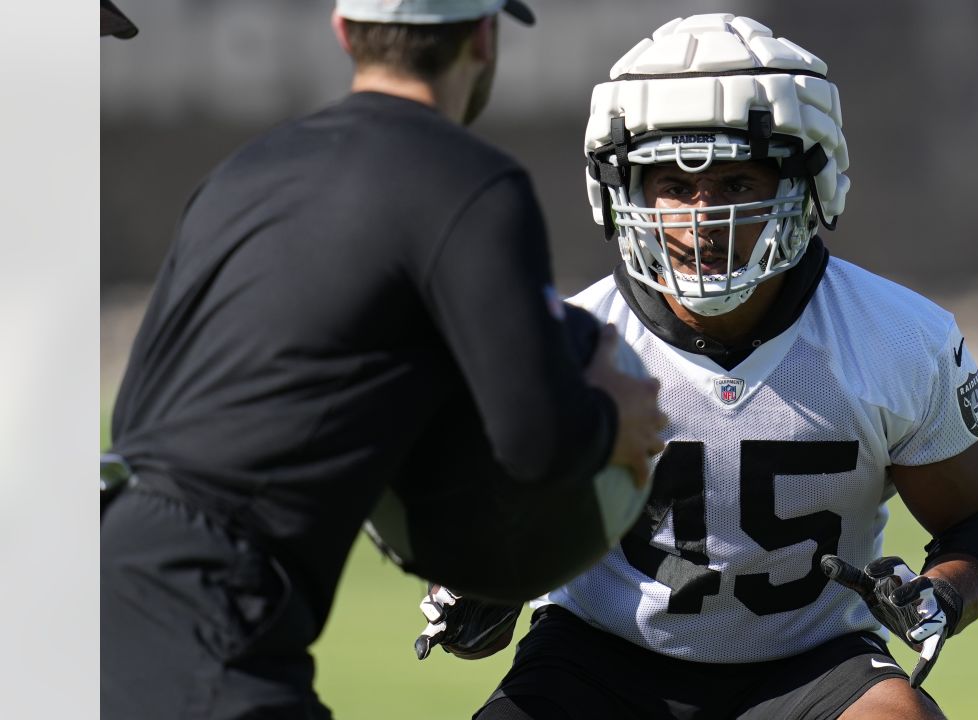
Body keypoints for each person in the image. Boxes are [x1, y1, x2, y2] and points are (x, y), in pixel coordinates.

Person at [418, 14, 978, 720]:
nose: (703, 217)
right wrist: (481, 587)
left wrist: (942, 594)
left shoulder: (894, 336)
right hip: (600, 655)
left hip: (813, 662)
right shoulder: (571, 344)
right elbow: (500, 540)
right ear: (623, 191)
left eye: (737, 181)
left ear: (809, 181)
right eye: (674, 185)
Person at [100, 1, 666, 717]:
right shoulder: (469, 180)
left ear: (344, 33)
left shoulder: (244, 169)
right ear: (484, 38)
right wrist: (612, 418)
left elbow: (136, 412)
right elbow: (537, 438)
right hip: (211, 608)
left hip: (106, 573)